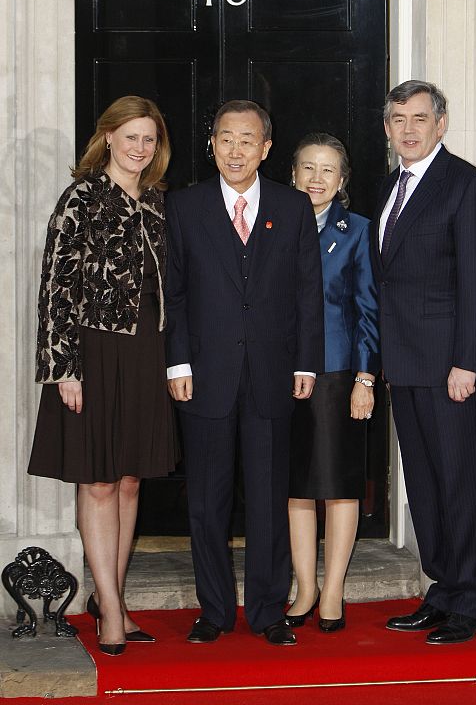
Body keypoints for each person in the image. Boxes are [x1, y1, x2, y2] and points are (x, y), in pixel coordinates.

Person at [165, 100, 324, 646]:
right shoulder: (183, 208)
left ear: (266, 147)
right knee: (207, 500)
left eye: (247, 139)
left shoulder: (293, 207)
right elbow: (176, 293)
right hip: (204, 375)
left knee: (267, 499)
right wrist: (177, 360)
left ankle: (267, 611)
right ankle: (213, 610)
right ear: (211, 143)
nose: (235, 150)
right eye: (225, 138)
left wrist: (307, 361)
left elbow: (308, 292)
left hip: (273, 374)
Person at [28, 95, 177, 655]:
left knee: (132, 477)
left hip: (146, 353)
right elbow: (55, 289)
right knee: (98, 480)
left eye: (149, 139)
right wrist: (63, 369)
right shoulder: (81, 199)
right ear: (108, 137)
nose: (140, 148)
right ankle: (110, 607)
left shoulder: (161, 203)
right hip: (90, 355)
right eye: (131, 136)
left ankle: (109, 595)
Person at [371, 80, 476, 644]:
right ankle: (445, 589)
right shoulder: (390, 186)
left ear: (441, 124)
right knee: (425, 486)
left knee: (461, 484)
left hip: (454, 369)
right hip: (405, 364)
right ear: (387, 127)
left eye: (420, 118)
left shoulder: (468, 187)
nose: (408, 128)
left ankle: (473, 601)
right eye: (398, 118)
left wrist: (466, 363)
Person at [286, 133, 380, 632]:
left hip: (338, 372)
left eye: (327, 170)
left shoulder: (359, 231)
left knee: (339, 483)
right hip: (279, 373)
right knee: (295, 485)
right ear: (293, 174)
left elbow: (368, 309)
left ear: (342, 181)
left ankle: (334, 588)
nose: (316, 178)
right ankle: (304, 586)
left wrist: (365, 377)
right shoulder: (269, 224)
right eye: (307, 168)